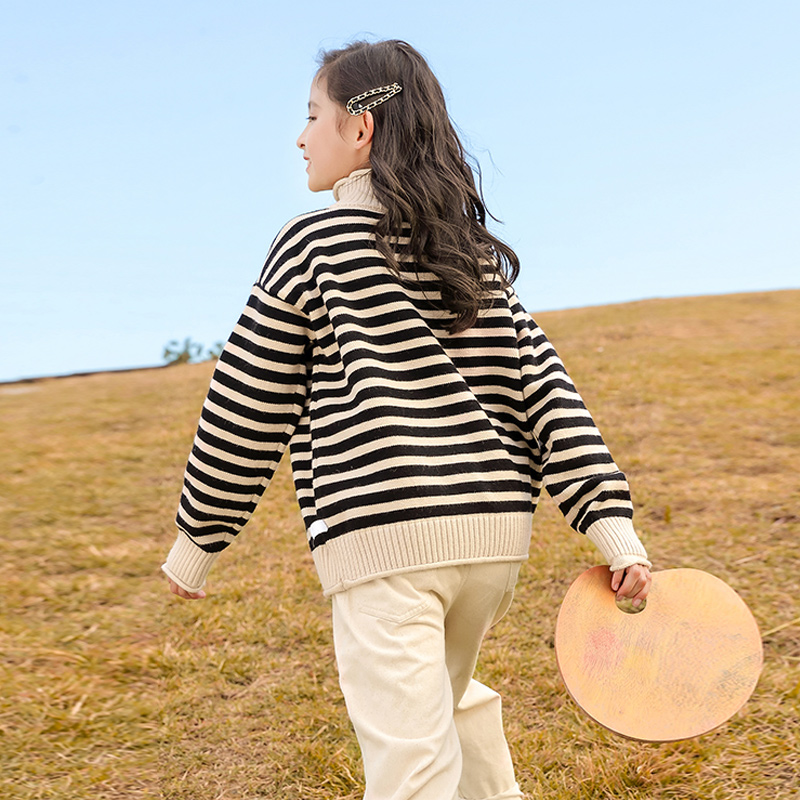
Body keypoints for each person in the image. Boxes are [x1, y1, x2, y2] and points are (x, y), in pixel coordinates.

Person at [162, 39, 652, 800]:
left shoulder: (311, 245)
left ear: (360, 128)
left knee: (408, 767)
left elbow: (246, 404)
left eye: (312, 115)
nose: (300, 137)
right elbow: (547, 393)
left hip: (385, 541)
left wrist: (199, 541)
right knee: (446, 709)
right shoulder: (468, 253)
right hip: (491, 544)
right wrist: (612, 527)